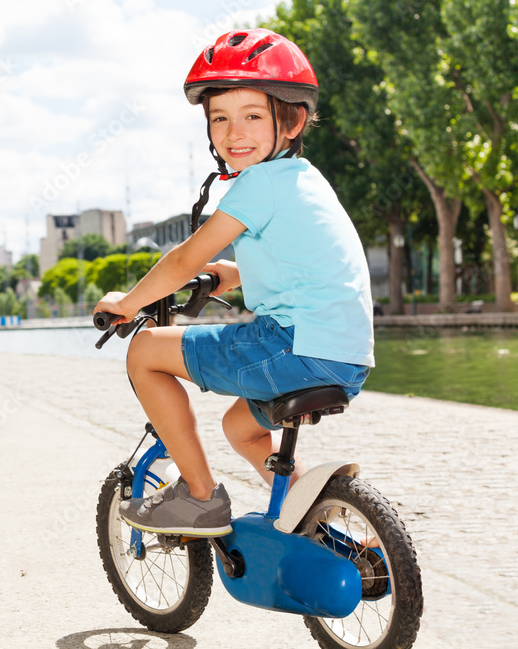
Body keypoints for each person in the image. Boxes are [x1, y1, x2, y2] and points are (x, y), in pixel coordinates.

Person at [93, 28, 374, 537]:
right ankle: (318, 514)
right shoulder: (303, 177)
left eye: (252, 116)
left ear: (291, 121)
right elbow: (309, 268)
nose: (233, 132)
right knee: (240, 427)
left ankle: (200, 498)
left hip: (293, 348)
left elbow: (182, 262)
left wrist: (130, 303)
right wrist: (235, 274)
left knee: (145, 351)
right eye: (219, 118)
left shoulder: (256, 184)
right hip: (346, 355)